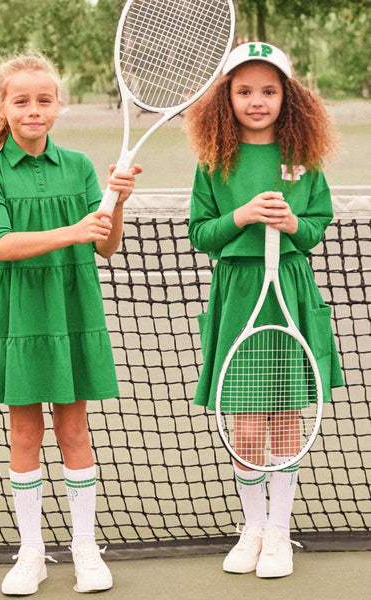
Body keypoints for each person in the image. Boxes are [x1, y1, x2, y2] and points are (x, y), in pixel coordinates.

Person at [0, 52, 141, 596]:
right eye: (21, 101)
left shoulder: (81, 166)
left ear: (58, 106)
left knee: (74, 431)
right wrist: (73, 231)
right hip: (17, 315)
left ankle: (85, 548)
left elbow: (106, 245)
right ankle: (31, 553)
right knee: (23, 434)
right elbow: (2, 244)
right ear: (3, 106)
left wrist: (117, 202)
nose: (33, 110)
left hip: (70, 308)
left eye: (44, 100)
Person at [184, 41, 343, 578]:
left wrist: (293, 224)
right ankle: (253, 527)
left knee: (285, 418)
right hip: (238, 294)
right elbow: (201, 234)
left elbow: (316, 225)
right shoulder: (214, 162)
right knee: (248, 425)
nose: (257, 101)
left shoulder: (304, 159)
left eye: (269, 91)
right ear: (226, 98)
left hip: (290, 292)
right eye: (245, 91)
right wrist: (243, 215)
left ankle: (278, 531)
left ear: (287, 97)